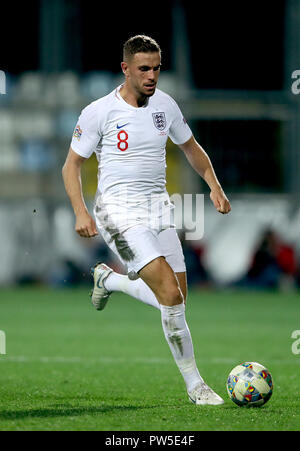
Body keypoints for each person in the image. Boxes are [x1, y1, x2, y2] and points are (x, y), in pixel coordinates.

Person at [62, 35, 231, 406]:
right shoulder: (98, 112)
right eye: (144, 69)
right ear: (126, 69)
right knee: (169, 295)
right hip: (118, 213)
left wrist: (214, 186)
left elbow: (190, 147)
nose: (152, 75)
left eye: (156, 67)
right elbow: (71, 164)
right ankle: (196, 386)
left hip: (159, 210)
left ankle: (109, 279)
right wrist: (80, 211)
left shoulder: (166, 105)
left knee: (178, 299)